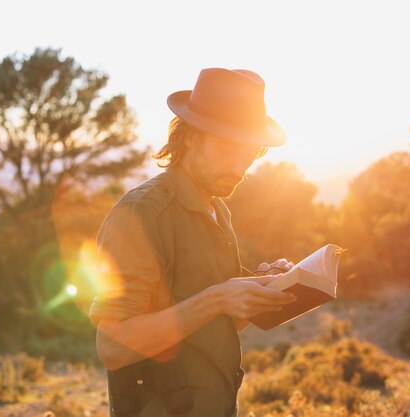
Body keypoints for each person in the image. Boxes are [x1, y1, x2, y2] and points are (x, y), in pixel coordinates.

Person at [89, 67, 296, 417]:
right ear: (191, 138)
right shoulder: (141, 214)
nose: (239, 166)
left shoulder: (216, 208)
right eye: (228, 148)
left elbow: (210, 323)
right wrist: (218, 298)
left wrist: (259, 292)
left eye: (249, 153)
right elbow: (112, 346)